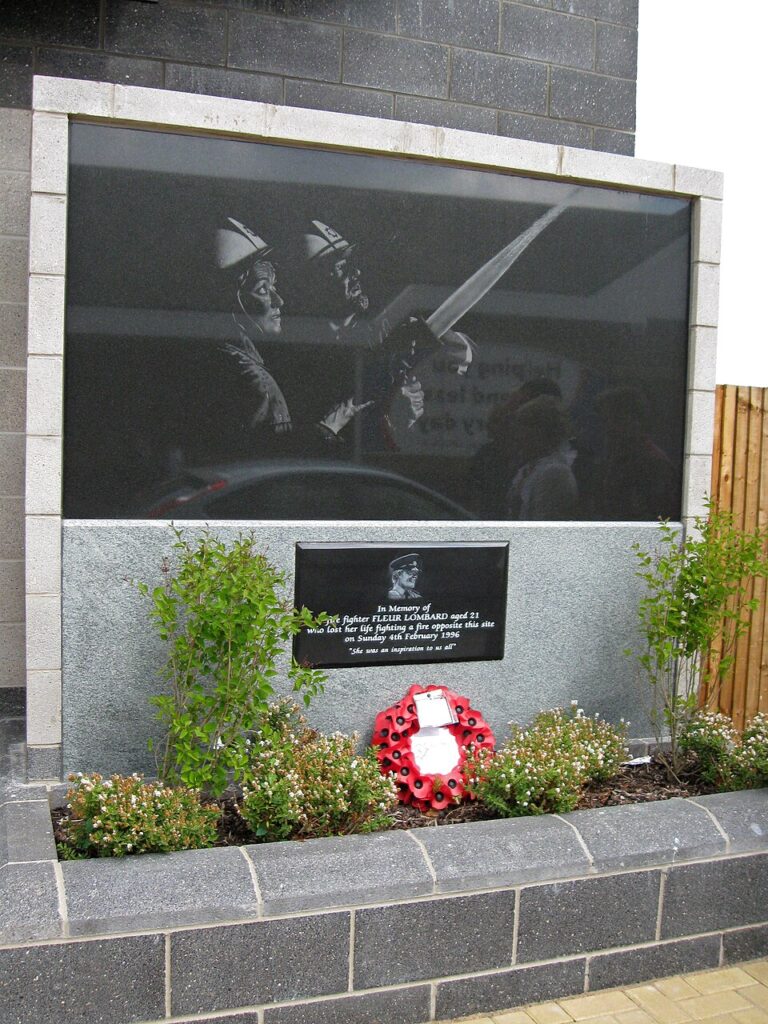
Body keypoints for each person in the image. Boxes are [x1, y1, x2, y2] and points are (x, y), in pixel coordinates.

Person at [506, 394, 578, 520]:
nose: (516, 437)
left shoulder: (554, 472)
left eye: (522, 429)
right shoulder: (528, 470)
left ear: (540, 431)